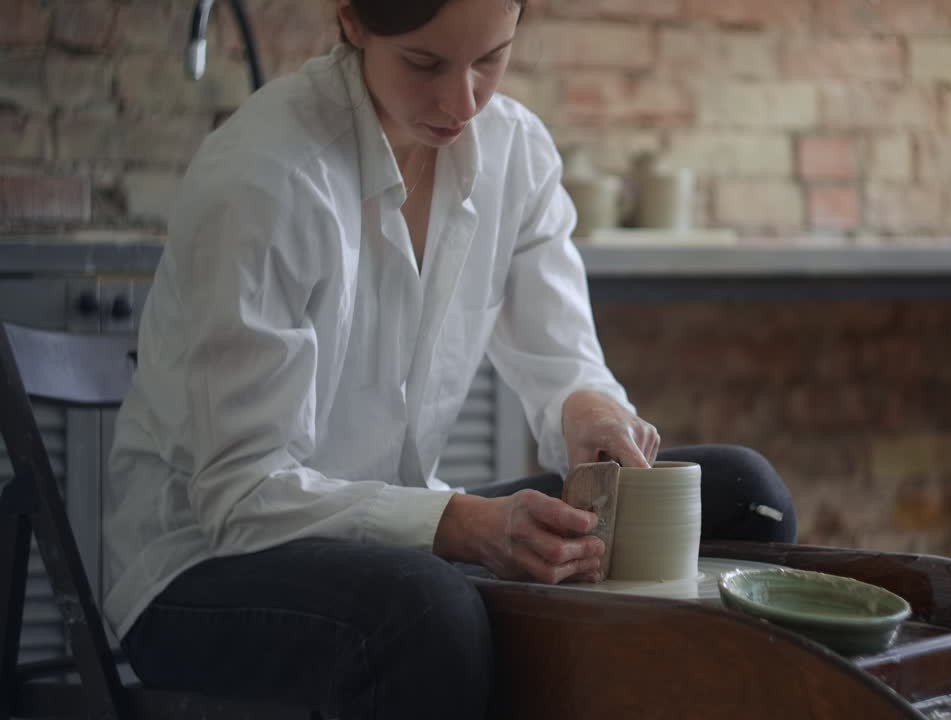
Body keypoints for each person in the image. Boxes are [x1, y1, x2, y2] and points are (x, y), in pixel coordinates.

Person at [104, 0, 797, 718]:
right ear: (353, 21)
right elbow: (241, 498)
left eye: (490, 59)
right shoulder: (266, 177)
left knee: (746, 495)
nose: (463, 103)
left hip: (399, 544)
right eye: (425, 64)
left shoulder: (515, 152)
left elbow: (563, 357)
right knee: (428, 616)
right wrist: (463, 525)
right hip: (203, 564)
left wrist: (589, 409)